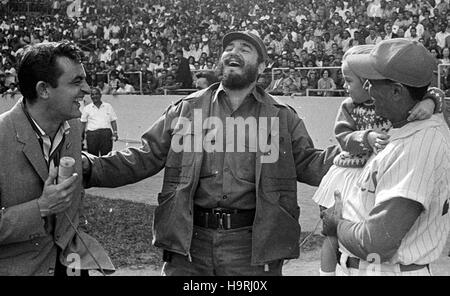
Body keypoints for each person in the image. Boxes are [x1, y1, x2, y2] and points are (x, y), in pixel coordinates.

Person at [82, 31, 340, 276]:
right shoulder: (186, 109)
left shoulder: (282, 116)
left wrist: (355, 153)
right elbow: (145, 156)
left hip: (252, 247)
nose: (233, 53)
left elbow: (309, 163)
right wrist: (89, 167)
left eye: (245, 49)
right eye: (228, 48)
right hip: (190, 244)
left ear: (262, 67)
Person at [321, 38, 450, 276]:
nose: (367, 87)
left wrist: (336, 224)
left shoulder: (419, 143)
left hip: (388, 270)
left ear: (396, 91)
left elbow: (376, 243)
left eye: (373, 81)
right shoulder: (400, 127)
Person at [0, 42, 114, 276]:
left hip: (70, 265)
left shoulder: (72, 122)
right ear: (43, 90)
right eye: (76, 82)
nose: (87, 89)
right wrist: (40, 207)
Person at [81, 87, 119, 156]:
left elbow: (113, 120)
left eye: (96, 94)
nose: (94, 96)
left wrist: (115, 132)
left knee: (107, 157)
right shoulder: (87, 108)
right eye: (92, 94)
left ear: (100, 95)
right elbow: (83, 123)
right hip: (92, 135)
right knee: (92, 157)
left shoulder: (108, 106)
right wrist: (81, 136)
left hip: (106, 134)